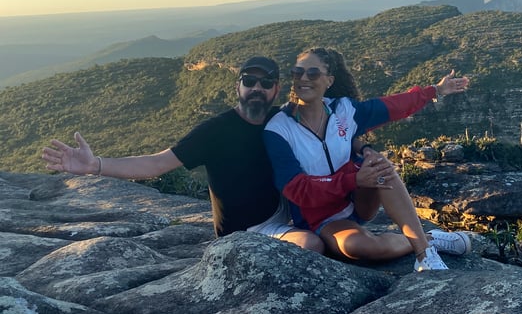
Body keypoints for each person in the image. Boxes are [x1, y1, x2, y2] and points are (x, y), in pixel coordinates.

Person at [41, 55, 324, 253]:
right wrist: (96, 165)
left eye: (265, 83)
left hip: (284, 213)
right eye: (249, 81)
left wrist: (362, 150)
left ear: (276, 89)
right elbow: (157, 163)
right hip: (248, 231)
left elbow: (329, 129)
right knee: (312, 245)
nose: (256, 89)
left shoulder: (282, 120)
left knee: (337, 232)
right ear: (237, 86)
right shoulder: (215, 131)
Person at [263, 47, 472, 272]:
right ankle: (431, 238)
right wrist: (354, 180)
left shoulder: (344, 110)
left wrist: (435, 90)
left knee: (380, 165)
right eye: (297, 72)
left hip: (359, 200)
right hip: (323, 218)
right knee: (359, 246)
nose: (303, 79)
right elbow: (296, 189)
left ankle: (425, 255)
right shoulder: (279, 129)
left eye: (312, 73)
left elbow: (393, 106)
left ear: (329, 80)